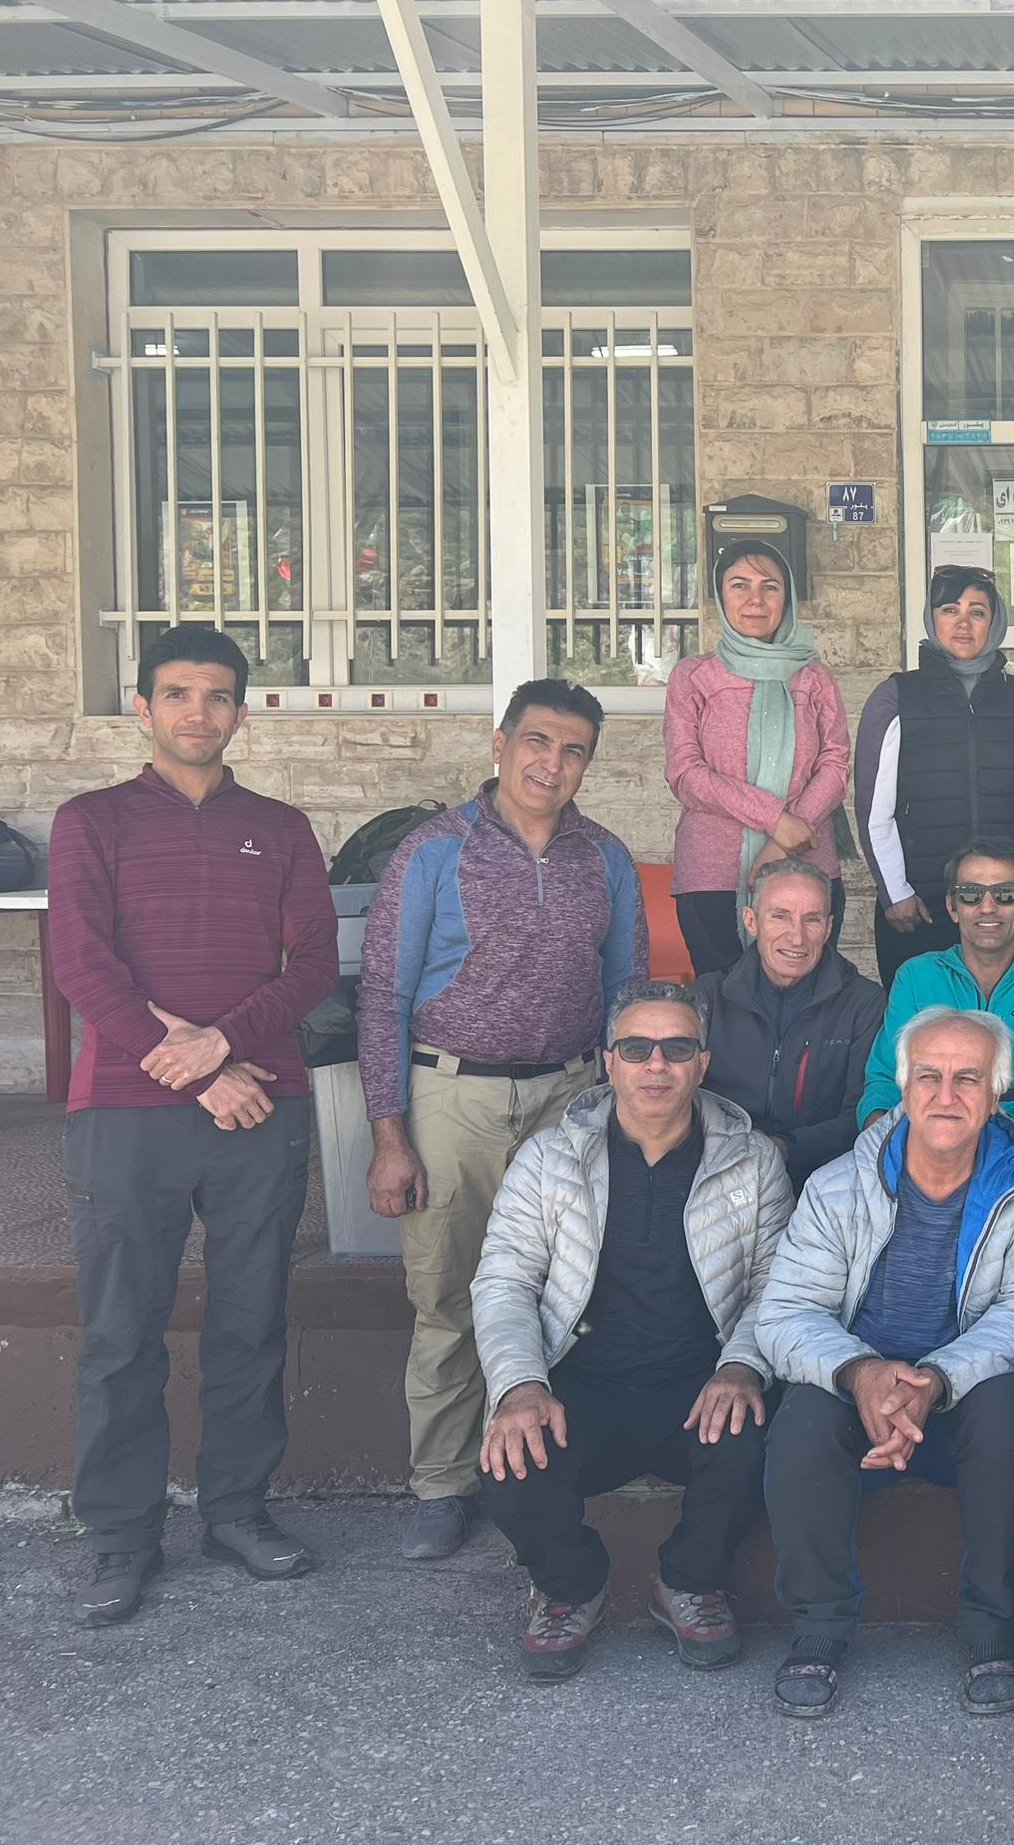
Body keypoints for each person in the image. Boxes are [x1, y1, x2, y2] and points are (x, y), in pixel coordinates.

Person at [49, 623, 340, 1626]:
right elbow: (82, 965)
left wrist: (221, 1045)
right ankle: (121, 1536)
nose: (197, 711)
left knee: (251, 1319)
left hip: (262, 1104)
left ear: (241, 713)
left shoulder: (283, 828)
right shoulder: (91, 821)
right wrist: (204, 1070)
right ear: (143, 706)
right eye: (176, 692)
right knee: (120, 1330)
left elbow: (313, 966)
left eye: (217, 695)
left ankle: (237, 1512)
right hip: (128, 1112)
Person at [360, 678, 648, 1563]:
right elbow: (383, 994)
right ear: (500, 743)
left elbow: (627, 993)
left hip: (571, 1099)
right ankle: (443, 1484)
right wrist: (390, 1135)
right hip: (454, 1098)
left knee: (571, 1292)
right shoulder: (434, 850)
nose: (551, 764)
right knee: (448, 1295)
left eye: (573, 751)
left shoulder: (605, 857)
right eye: (537, 741)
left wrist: (626, 1112)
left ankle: (540, 1465)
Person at [469, 980, 794, 1682]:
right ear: (608, 1062)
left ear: (702, 1063)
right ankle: (571, 1588)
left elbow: (775, 1288)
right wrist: (521, 1386)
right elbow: (503, 1283)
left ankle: (688, 1582)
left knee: (756, 1439)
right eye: (638, 1047)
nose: (657, 1064)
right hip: (581, 1382)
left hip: (700, 1382)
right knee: (508, 1462)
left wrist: (741, 1367)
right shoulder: (548, 1157)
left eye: (677, 1048)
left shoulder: (752, 1158)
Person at [756, 1008, 1014, 1719]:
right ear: (902, 1089)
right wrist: (861, 1373)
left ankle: (993, 1630)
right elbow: (785, 1313)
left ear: (997, 1095)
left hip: (963, 1391)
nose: (946, 1096)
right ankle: (818, 1628)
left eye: (968, 1079)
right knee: (803, 1417)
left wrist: (937, 1380)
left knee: (1008, 1409)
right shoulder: (836, 1184)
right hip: (860, 1390)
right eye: (929, 1076)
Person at [664, 538, 853, 976]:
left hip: (808, 870)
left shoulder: (814, 676)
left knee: (809, 995)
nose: (755, 599)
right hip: (712, 873)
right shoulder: (694, 676)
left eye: (770, 587)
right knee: (724, 995)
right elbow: (685, 773)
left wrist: (784, 839)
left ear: (786, 598)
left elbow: (835, 765)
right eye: (739, 586)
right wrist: (775, 819)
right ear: (719, 596)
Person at [855, 564, 1014, 985]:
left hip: (1006, 904)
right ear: (932, 618)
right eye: (949, 610)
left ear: (994, 622)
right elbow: (874, 810)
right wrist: (896, 893)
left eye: (977, 612)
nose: (963, 623)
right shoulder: (896, 697)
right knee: (927, 1018)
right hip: (921, 907)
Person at [858, 840, 1014, 1169]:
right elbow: (884, 1077)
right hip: (924, 1134)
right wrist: (879, 1128)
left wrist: (977, 1122)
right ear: (952, 907)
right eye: (970, 894)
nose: (987, 907)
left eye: (1005, 894)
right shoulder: (916, 976)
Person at [691, 856, 883, 1189]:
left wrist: (786, 1147)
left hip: (825, 1179)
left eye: (812, 920)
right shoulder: (708, 996)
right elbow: (681, 1099)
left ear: (828, 928)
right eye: (780, 916)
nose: (797, 937)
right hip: (719, 1172)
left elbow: (861, 1113)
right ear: (751, 921)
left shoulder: (864, 1002)